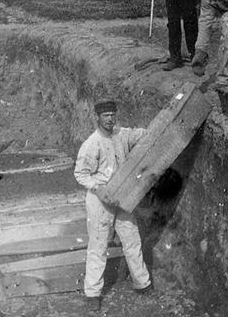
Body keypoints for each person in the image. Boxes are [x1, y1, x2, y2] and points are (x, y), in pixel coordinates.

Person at [74, 100, 152, 311]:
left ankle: (142, 284)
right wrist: (99, 190)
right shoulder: (92, 143)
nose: (109, 118)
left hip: (123, 197)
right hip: (101, 201)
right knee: (98, 246)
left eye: (112, 114)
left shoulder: (121, 134)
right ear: (97, 118)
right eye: (105, 115)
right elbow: (80, 174)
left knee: (132, 239)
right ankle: (92, 293)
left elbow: (142, 134)